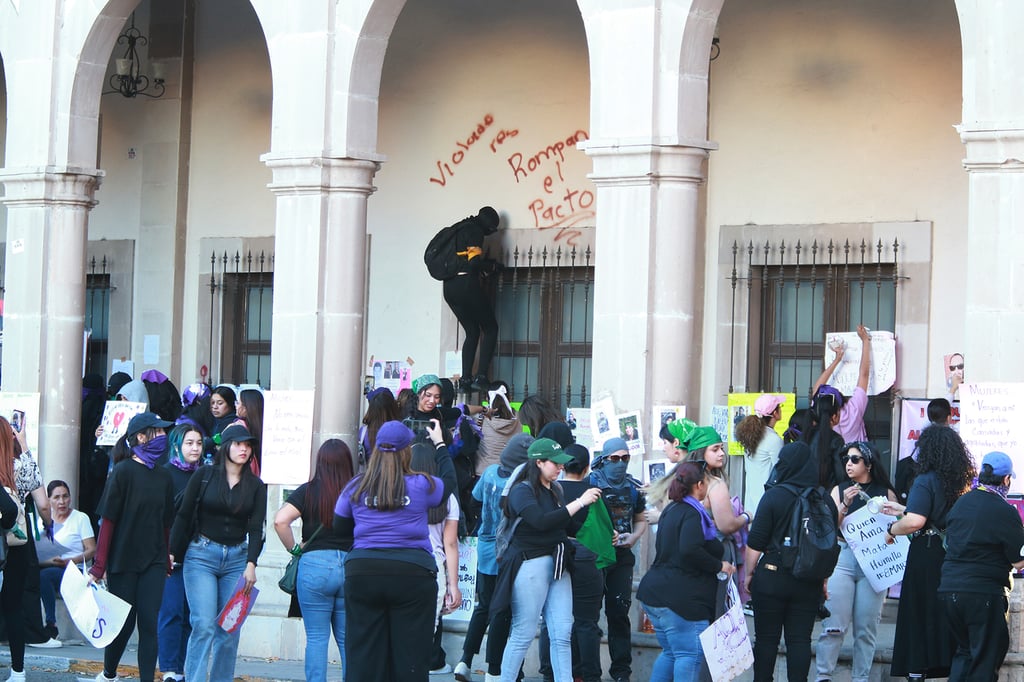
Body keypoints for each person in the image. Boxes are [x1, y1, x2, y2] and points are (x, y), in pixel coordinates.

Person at [333, 420, 453, 681]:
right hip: (413, 573)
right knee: (411, 657)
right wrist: (440, 444)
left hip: (363, 572)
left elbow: (339, 529)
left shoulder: (355, 487)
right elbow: (450, 482)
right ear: (406, 451)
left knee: (364, 655)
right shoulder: (422, 485)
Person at [494, 438, 601, 682]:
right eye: (555, 463)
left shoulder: (556, 490)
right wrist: (580, 502)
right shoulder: (521, 490)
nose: (560, 468)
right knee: (523, 632)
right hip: (530, 564)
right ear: (539, 462)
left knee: (563, 633)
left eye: (561, 464)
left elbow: (565, 525)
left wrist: (602, 534)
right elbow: (540, 521)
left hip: (558, 563)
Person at [169, 424, 267, 682]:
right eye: (238, 444)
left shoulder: (256, 486)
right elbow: (183, 515)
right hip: (201, 555)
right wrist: (171, 552)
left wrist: (251, 564)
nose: (243, 449)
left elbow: (256, 528)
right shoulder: (204, 475)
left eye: (248, 445)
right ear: (226, 447)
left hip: (236, 558)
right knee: (202, 624)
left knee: (229, 628)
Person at [882, 424, 974, 680]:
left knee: (919, 613)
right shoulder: (962, 481)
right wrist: (903, 508)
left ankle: (917, 669)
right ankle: (947, 667)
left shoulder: (925, 480)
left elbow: (916, 522)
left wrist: (892, 529)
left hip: (926, 553)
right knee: (946, 613)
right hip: (952, 554)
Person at [89, 412, 176, 682]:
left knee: (149, 624)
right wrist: (99, 565)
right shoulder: (123, 472)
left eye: (163, 432)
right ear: (141, 437)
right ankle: (109, 673)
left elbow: (165, 523)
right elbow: (108, 521)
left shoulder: (164, 476)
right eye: (157, 432)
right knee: (123, 624)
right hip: (123, 560)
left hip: (154, 561)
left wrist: (167, 557)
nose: (163, 437)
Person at [744, 441, 837, 682]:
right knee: (800, 640)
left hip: (772, 575)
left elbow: (755, 542)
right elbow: (828, 545)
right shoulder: (824, 499)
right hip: (808, 579)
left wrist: (749, 575)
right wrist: (823, 580)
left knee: (766, 640)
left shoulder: (774, 496)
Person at [638, 461, 736, 682]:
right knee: (688, 655)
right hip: (681, 600)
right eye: (707, 484)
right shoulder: (692, 513)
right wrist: (719, 565)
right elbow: (689, 549)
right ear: (699, 485)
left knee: (673, 653)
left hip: (656, 593)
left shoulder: (672, 509)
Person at [815, 441, 898, 682]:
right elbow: (829, 526)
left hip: (874, 560)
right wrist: (845, 504)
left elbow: (896, 527)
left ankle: (861, 678)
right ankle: (823, 677)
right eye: (846, 460)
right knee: (833, 625)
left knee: (867, 627)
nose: (848, 464)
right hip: (843, 556)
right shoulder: (839, 489)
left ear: (869, 464)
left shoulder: (885, 492)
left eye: (855, 459)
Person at [938, 451, 1024, 682]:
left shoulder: (961, 503)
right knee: (985, 660)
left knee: (965, 654)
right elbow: (1018, 560)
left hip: (950, 590)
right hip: (983, 593)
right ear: (1006, 480)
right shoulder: (1005, 511)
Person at [274, 439, 355, 682]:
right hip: (350, 567)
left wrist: (294, 550)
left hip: (315, 566)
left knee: (317, 638)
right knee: (347, 639)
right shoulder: (356, 492)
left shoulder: (308, 490)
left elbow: (280, 521)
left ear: (319, 462)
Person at [454, 433, 533, 682]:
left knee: (483, 606)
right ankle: (495, 669)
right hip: (509, 553)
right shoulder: (521, 482)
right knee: (504, 611)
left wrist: (483, 524)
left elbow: (474, 501)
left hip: (485, 548)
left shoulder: (489, 473)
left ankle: (464, 661)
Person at [538, 443, 615, 682]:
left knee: (551, 621)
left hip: (554, 554)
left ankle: (549, 674)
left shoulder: (551, 490)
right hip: (585, 556)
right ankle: (590, 675)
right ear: (587, 467)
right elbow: (608, 528)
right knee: (586, 621)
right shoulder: (593, 492)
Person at [588, 437, 648, 682]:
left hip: (622, 558)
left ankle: (621, 672)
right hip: (593, 558)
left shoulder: (633, 487)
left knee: (619, 614)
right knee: (589, 617)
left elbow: (641, 519)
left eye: (625, 458)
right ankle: (587, 671)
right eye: (615, 458)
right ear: (604, 459)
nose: (621, 463)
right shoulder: (590, 483)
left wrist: (633, 538)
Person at [156, 424, 204, 682]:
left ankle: (184, 667)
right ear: (177, 445)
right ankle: (169, 669)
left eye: (198, 443)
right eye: (189, 443)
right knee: (171, 611)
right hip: (170, 556)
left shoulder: (206, 475)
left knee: (191, 616)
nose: (195, 448)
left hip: (198, 555)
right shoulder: (165, 475)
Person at [410, 445, 462, 675]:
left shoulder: (399, 492)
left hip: (403, 563)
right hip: (433, 568)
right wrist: (453, 585)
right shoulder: (446, 497)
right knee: (425, 634)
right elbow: (450, 544)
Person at [439, 206, 502, 392]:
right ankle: (481, 377)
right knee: (490, 328)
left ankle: (465, 380)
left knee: (472, 331)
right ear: (488, 225)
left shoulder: (459, 227)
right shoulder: (474, 230)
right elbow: (473, 263)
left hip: (449, 288)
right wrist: (490, 266)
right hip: (466, 284)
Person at [686, 426, 750, 607]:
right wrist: (746, 516)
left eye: (722, 448)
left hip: (691, 555)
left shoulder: (680, 480)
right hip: (716, 553)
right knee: (718, 611)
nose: (721, 453)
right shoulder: (715, 484)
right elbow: (727, 525)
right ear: (700, 453)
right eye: (715, 449)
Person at [36, 480, 96, 645]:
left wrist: (71, 560)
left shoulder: (80, 518)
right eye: (56, 497)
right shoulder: (44, 522)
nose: (61, 502)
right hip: (50, 566)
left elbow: (92, 550)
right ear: (49, 500)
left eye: (65, 496)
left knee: (44, 576)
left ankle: (51, 624)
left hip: (73, 569)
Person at [812, 324, 871, 443]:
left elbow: (817, 388)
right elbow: (864, 375)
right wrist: (865, 340)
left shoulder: (818, 411)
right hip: (853, 459)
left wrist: (837, 360)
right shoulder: (853, 411)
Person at [736, 394, 785, 516]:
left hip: (751, 501)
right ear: (774, 413)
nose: (781, 409)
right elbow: (781, 471)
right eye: (780, 407)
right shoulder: (773, 440)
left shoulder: (751, 435)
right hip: (767, 501)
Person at [806, 386, 845, 490]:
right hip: (828, 496)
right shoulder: (836, 440)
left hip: (804, 495)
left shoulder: (806, 435)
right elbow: (840, 475)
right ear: (834, 416)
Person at [359, 387, 401, 464]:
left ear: (371, 409)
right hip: (395, 474)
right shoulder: (400, 431)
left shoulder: (363, 432)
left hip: (370, 475)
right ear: (393, 407)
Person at [233, 389, 264, 475]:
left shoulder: (238, 426)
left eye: (238, 403)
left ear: (246, 407)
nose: (235, 406)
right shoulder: (265, 426)